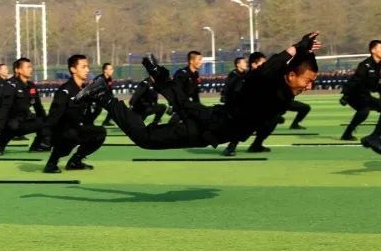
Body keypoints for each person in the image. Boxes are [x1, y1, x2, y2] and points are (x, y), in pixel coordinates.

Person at [76, 32, 322, 151]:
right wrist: (296, 49)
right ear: (291, 76)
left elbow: (279, 68)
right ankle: (104, 95)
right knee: (146, 139)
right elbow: (268, 68)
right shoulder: (271, 87)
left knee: (181, 104)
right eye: (308, 81)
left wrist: (302, 51)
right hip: (211, 126)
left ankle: (155, 73)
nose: (309, 86)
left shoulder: (282, 86)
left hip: (215, 123)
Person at [42, 54, 107, 173]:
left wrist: (98, 103)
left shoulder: (86, 90)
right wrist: (46, 136)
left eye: (87, 67)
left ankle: (75, 161)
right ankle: (51, 163)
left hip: (77, 129)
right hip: (62, 132)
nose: (87, 70)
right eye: (83, 67)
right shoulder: (65, 90)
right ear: (73, 70)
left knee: (100, 132)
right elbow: (54, 115)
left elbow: (89, 115)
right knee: (70, 134)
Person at [0, 57, 51, 156]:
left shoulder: (31, 86)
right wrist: (1, 127)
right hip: (11, 120)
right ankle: (1, 147)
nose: (31, 69)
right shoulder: (10, 85)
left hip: (26, 118)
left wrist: (46, 122)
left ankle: (36, 146)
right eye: (28, 67)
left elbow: (38, 107)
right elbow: (4, 107)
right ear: (18, 70)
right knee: (12, 126)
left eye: (31, 67)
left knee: (45, 121)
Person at [340, 39, 381, 143]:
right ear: (373, 50)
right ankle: (347, 134)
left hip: (366, 94)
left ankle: (376, 135)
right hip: (354, 94)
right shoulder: (365, 65)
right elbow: (355, 80)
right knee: (364, 110)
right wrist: (345, 96)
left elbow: (375, 85)